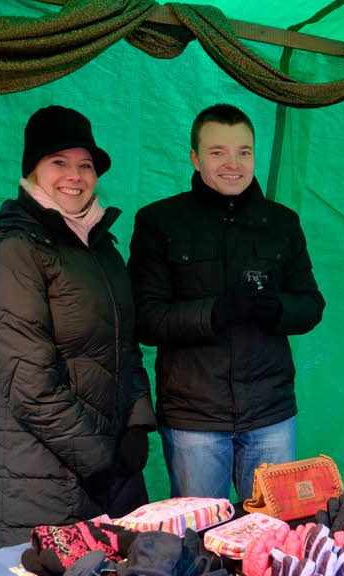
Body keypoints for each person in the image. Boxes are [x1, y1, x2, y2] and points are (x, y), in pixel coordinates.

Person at [0, 106, 155, 549]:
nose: (75, 176)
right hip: (38, 479)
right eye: (59, 162)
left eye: (85, 165)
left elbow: (126, 347)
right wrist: (99, 459)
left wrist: (137, 424)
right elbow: (30, 381)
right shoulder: (11, 248)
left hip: (109, 474)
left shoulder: (102, 248)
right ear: (32, 169)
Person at [128, 104, 325, 502]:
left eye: (245, 152)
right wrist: (215, 313)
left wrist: (278, 309)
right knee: (201, 538)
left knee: (272, 533)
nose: (233, 163)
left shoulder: (282, 222)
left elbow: (311, 304)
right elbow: (145, 318)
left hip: (271, 415)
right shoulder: (159, 221)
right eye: (218, 152)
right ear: (195, 159)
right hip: (194, 420)